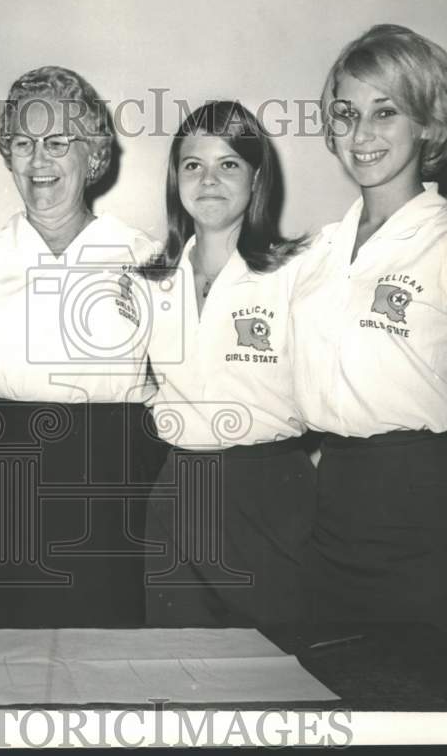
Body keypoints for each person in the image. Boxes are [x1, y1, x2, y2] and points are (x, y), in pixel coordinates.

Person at [289, 24, 447, 647]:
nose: (361, 134)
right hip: (332, 500)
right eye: (346, 113)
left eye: (385, 112)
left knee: (426, 697)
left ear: (427, 123)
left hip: (426, 503)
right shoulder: (319, 250)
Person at [0, 65, 162, 628]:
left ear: (93, 156)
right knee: (2, 651)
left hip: (112, 472)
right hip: (5, 469)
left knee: (108, 647)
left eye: (57, 143)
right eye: (23, 144)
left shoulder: (145, 257)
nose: (38, 161)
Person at [140, 101, 314, 629]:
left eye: (229, 164)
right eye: (193, 165)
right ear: (176, 179)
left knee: (280, 671)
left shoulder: (296, 271)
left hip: (268, 489)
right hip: (178, 489)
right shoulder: (149, 279)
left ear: (256, 176)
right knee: (179, 670)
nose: (209, 180)